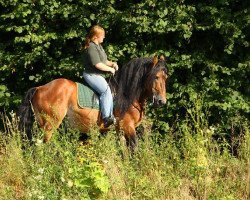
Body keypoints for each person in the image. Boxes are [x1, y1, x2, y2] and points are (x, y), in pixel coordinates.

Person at [82, 25, 118, 128]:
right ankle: (107, 118)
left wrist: (112, 64)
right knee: (106, 91)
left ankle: (110, 115)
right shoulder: (91, 47)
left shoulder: (99, 47)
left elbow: (104, 61)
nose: (104, 37)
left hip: (98, 75)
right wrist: (110, 69)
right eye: (102, 35)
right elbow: (98, 64)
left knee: (111, 91)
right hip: (91, 75)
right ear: (95, 37)